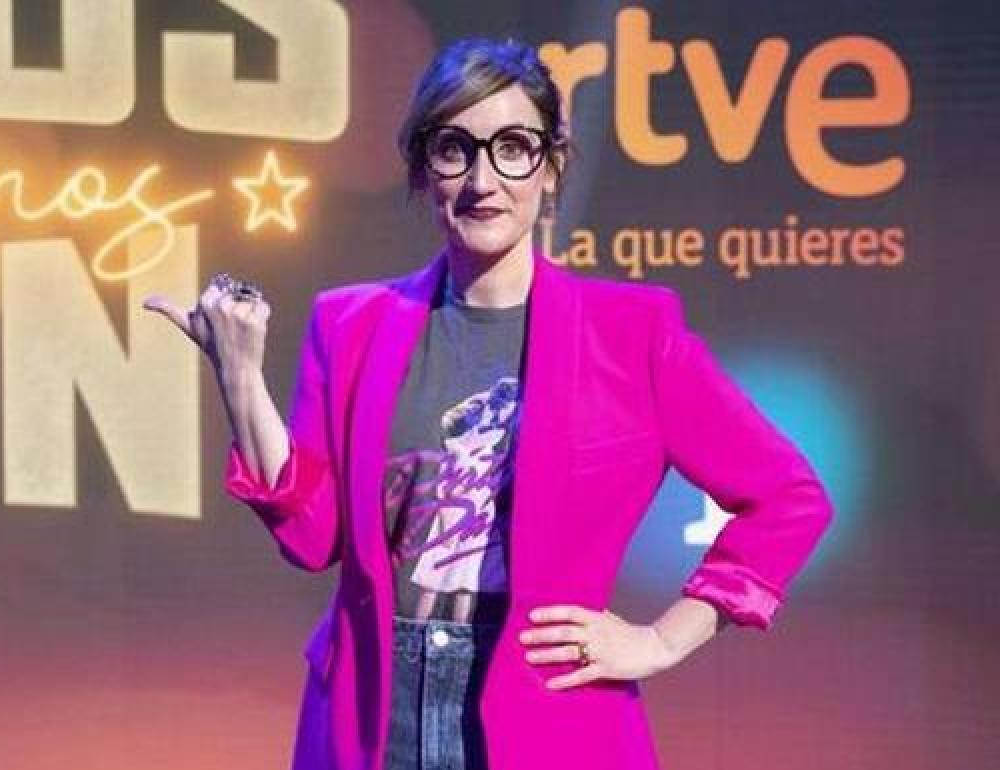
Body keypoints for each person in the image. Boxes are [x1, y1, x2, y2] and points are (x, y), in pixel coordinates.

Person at [143, 37, 832, 770]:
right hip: (375, 712)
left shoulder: (633, 333)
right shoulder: (350, 325)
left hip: (550, 712)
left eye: (512, 148)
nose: (482, 179)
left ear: (550, 166)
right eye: (454, 149)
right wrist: (240, 376)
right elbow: (313, 539)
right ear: (422, 169)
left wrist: (662, 640)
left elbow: (788, 498)